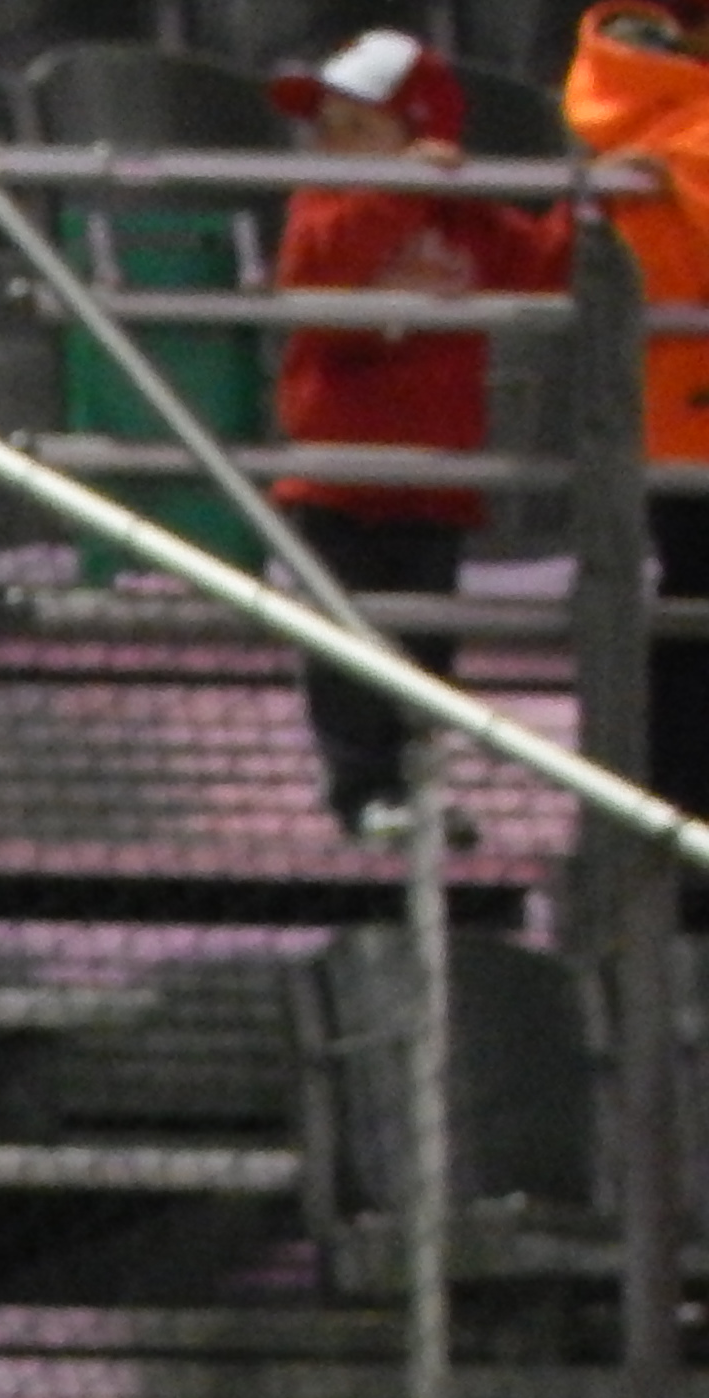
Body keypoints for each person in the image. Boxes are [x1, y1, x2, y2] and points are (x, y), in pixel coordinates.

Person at [268, 32, 567, 839]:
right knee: (346, 642)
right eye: (328, 127)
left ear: (425, 132)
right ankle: (362, 791)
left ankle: (419, 784)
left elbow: (542, 267)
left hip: (435, 479)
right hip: (337, 477)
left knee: (426, 648)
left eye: (359, 128)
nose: (334, 144)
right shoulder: (320, 205)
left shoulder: (464, 215)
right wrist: (399, 190)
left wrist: (591, 198)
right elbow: (319, 290)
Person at [566, 0, 709, 810]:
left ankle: (668, 817)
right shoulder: (690, 128)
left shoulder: (636, 120)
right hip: (687, 418)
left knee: (686, 621)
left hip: (664, 420)